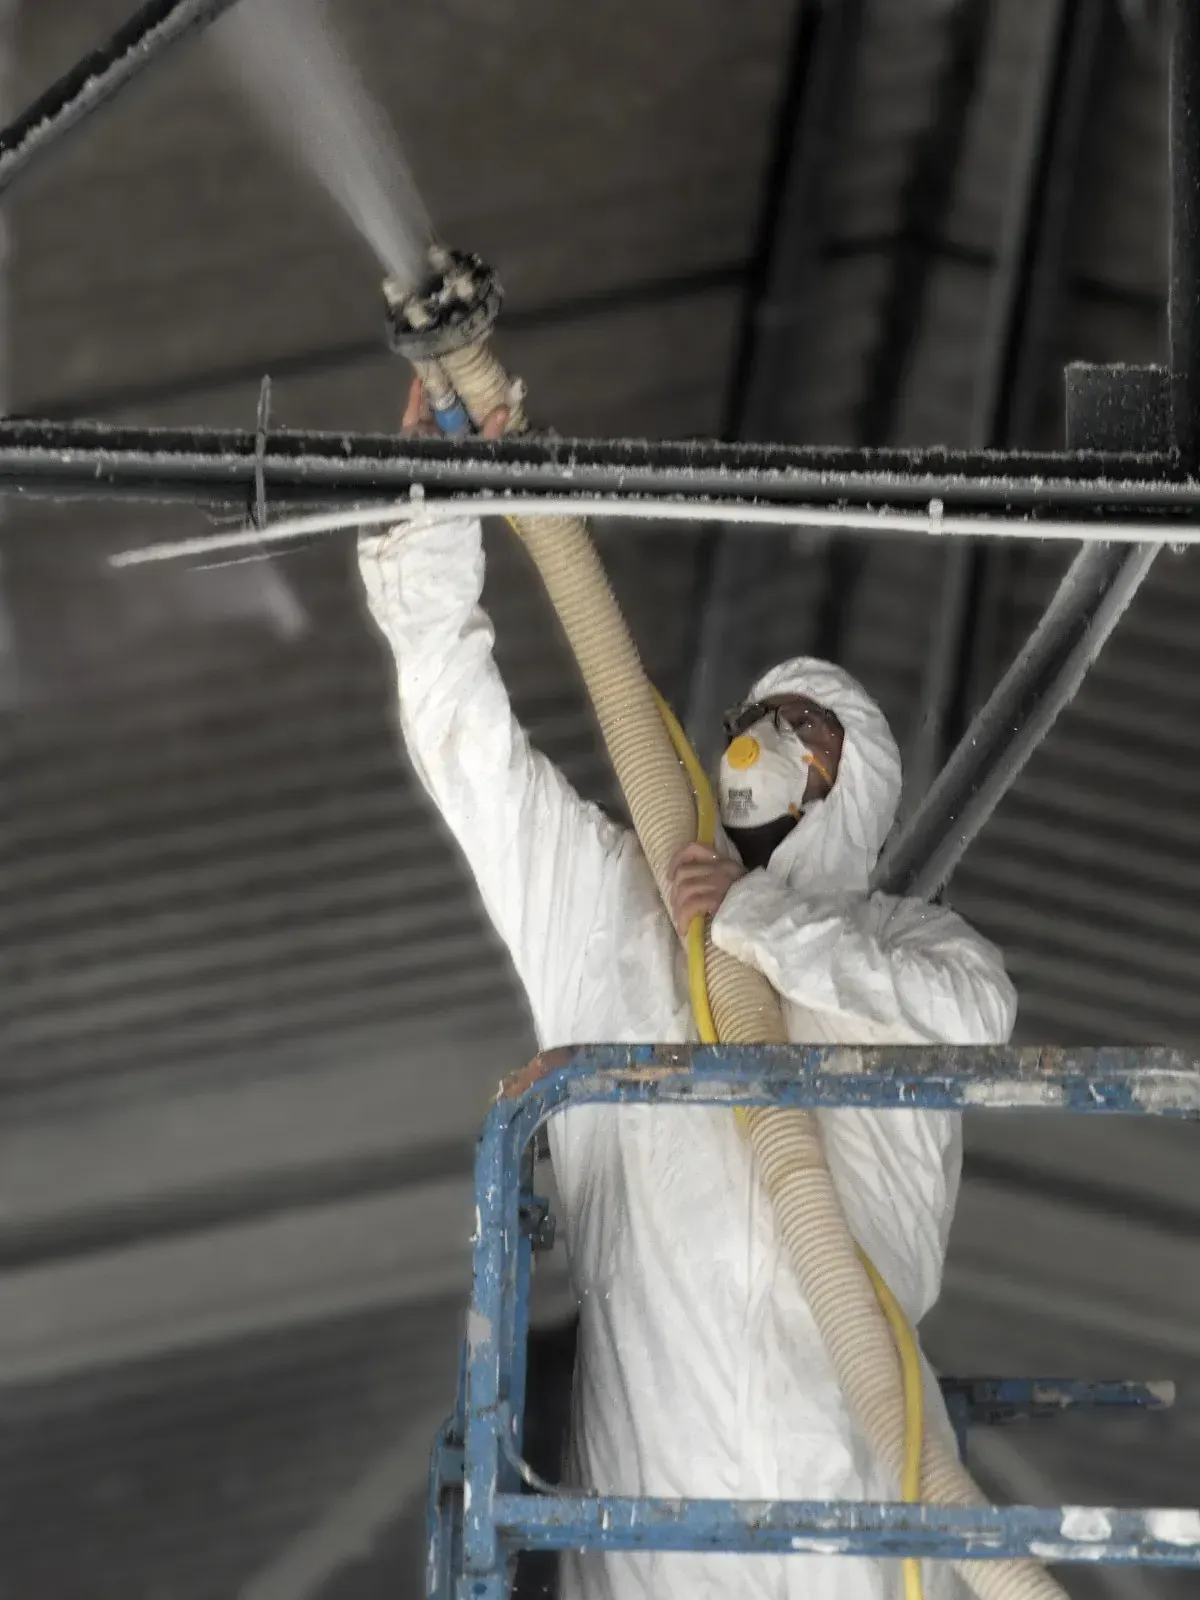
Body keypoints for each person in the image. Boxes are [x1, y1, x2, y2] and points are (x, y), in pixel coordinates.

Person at [357, 381, 1017, 1600]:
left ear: (852, 786)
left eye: (797, 731)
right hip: (662, 1526)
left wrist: (753, 919)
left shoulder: (905, 948)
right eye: (749, 721)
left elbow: (980, 1019)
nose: (755, 748)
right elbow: (467, 746)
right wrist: (429, 510)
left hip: (856, 1519)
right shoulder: (611, 910)